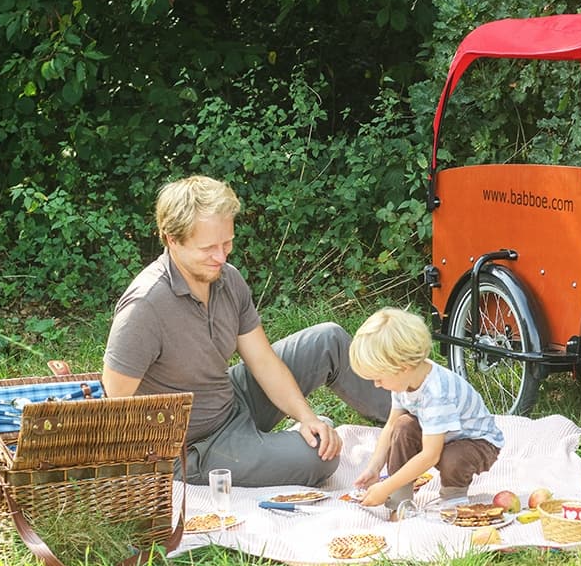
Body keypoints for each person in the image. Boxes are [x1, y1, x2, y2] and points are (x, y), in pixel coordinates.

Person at [102, 175, 390, 487]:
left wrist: (306, 417)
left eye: (227, 243)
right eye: (208, 248)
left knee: (328, 340)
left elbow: (264, 362)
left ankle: (417, 420)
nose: (221, 257)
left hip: (229, 397)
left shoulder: (228, 279)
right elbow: (114, 403)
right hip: (198, 443)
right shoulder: (144, 307)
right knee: (321, 455)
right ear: (172, 239)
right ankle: (269, 448)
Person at [348, 307, 504, 516]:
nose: (376, 385)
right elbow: (391, 426)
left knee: (452, 458)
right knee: (402, 426)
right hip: (443, 435)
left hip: (477, 442)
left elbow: (431, 455)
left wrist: (385, 488)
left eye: (379, 378)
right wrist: (374, 467)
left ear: (402, 367)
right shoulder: (404, 381)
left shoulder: (437, 393)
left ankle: (454, 501)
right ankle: (400, 500)